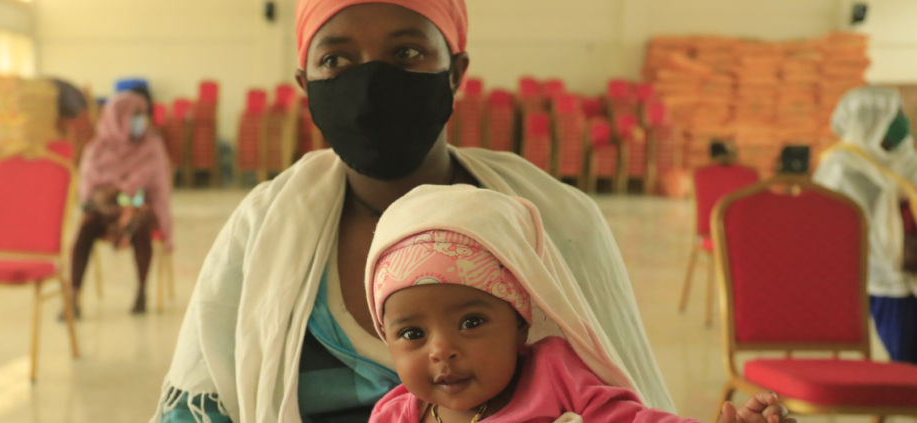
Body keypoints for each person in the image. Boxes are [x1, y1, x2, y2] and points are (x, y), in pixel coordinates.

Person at [154, 1, 673, 421]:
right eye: (335, 60)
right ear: (304, 86)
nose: (373, 82)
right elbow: (200, 407)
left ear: (456, 72)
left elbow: (627, 398)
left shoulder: (557, 221)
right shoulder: (264, 229)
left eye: (406, 52)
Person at [365, 185, 794, 423]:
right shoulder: (395, 415)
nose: (440, 350)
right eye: (412, 334)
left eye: (472, 321)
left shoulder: (556, 376)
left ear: (520, 323)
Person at [814, 86, 917, 364]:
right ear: (869, 120)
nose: (902, 121)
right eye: (893, 115)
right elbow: (843, 233)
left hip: (909, 261)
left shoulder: (906, 159)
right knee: (907, 356)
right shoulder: (842, 168)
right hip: (878, 272)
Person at [72, 89, 174, 315]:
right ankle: (73, 296)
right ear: (118, 118)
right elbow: (88, 188)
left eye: (143, 115)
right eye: (135, 115)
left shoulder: (151, 146)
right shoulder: (97, 149)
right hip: (104, 210)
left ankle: (141, 291)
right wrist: (112, 194)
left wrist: (119, 190)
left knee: (141, 223)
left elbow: (154, 184)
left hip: (140, 206)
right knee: (86, 225)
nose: (141, 121)